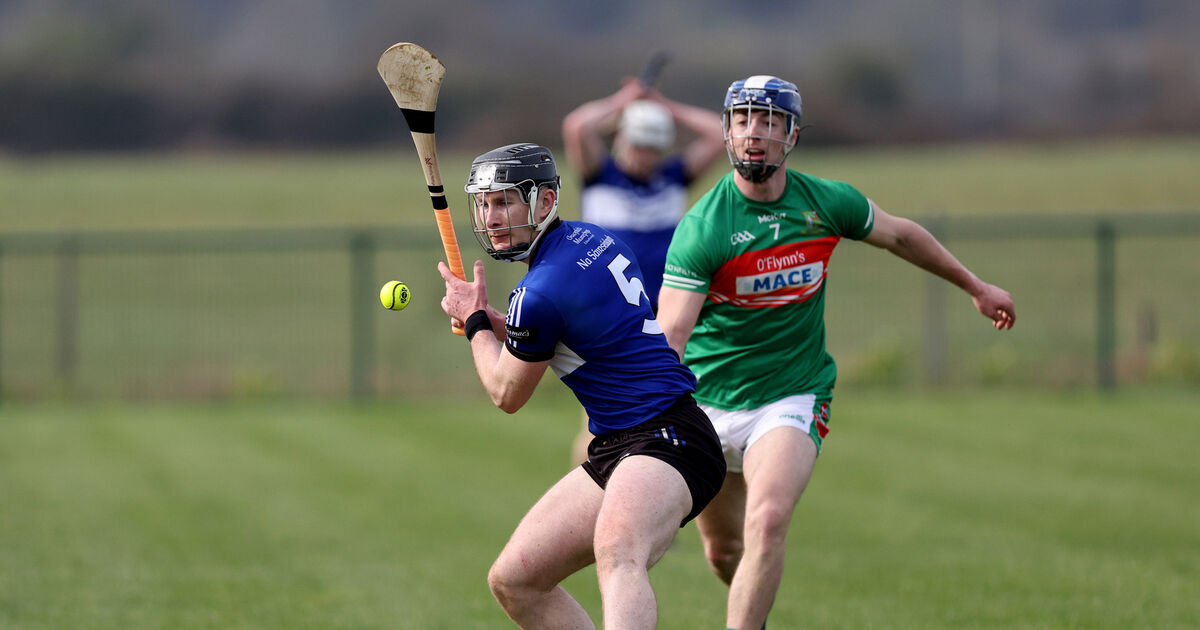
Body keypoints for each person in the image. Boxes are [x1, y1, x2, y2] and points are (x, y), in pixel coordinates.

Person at [655, 76, 1017, 630]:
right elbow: (672, 333)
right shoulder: (703, 228)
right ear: (726, 131)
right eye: (743, 119)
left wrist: (976, 286)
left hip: (791, 395)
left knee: (767, 521)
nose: (754, 133)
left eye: (769, 121)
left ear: (792, 135)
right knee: (724, 553)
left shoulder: (825, 202)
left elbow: (901, 236)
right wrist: (648, 412)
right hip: (707, 404)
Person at [438, 142, 726, 630]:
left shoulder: (538, 292)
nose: (491, 218)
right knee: (515, 580)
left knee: (619, 551)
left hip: (668, 438)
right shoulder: (593, 239)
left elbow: (506, 393)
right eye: (484, 204)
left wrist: (475, 325)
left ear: (546, 202)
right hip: (620, 445)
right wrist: (502, 326)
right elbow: (579, 331)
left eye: (504, 202)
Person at [562, 77, 726, 466]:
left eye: (654, 148)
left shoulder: (673, 176)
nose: (646, 156)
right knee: (600, 425)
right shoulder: (598, 174)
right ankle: (590, 494)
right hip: (608, 318)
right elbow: (577, 126)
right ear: (620, 138)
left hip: (665, 317)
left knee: (669, 416)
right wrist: (624, 99)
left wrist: (663, 104)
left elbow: (719, 135)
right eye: (639, 145)